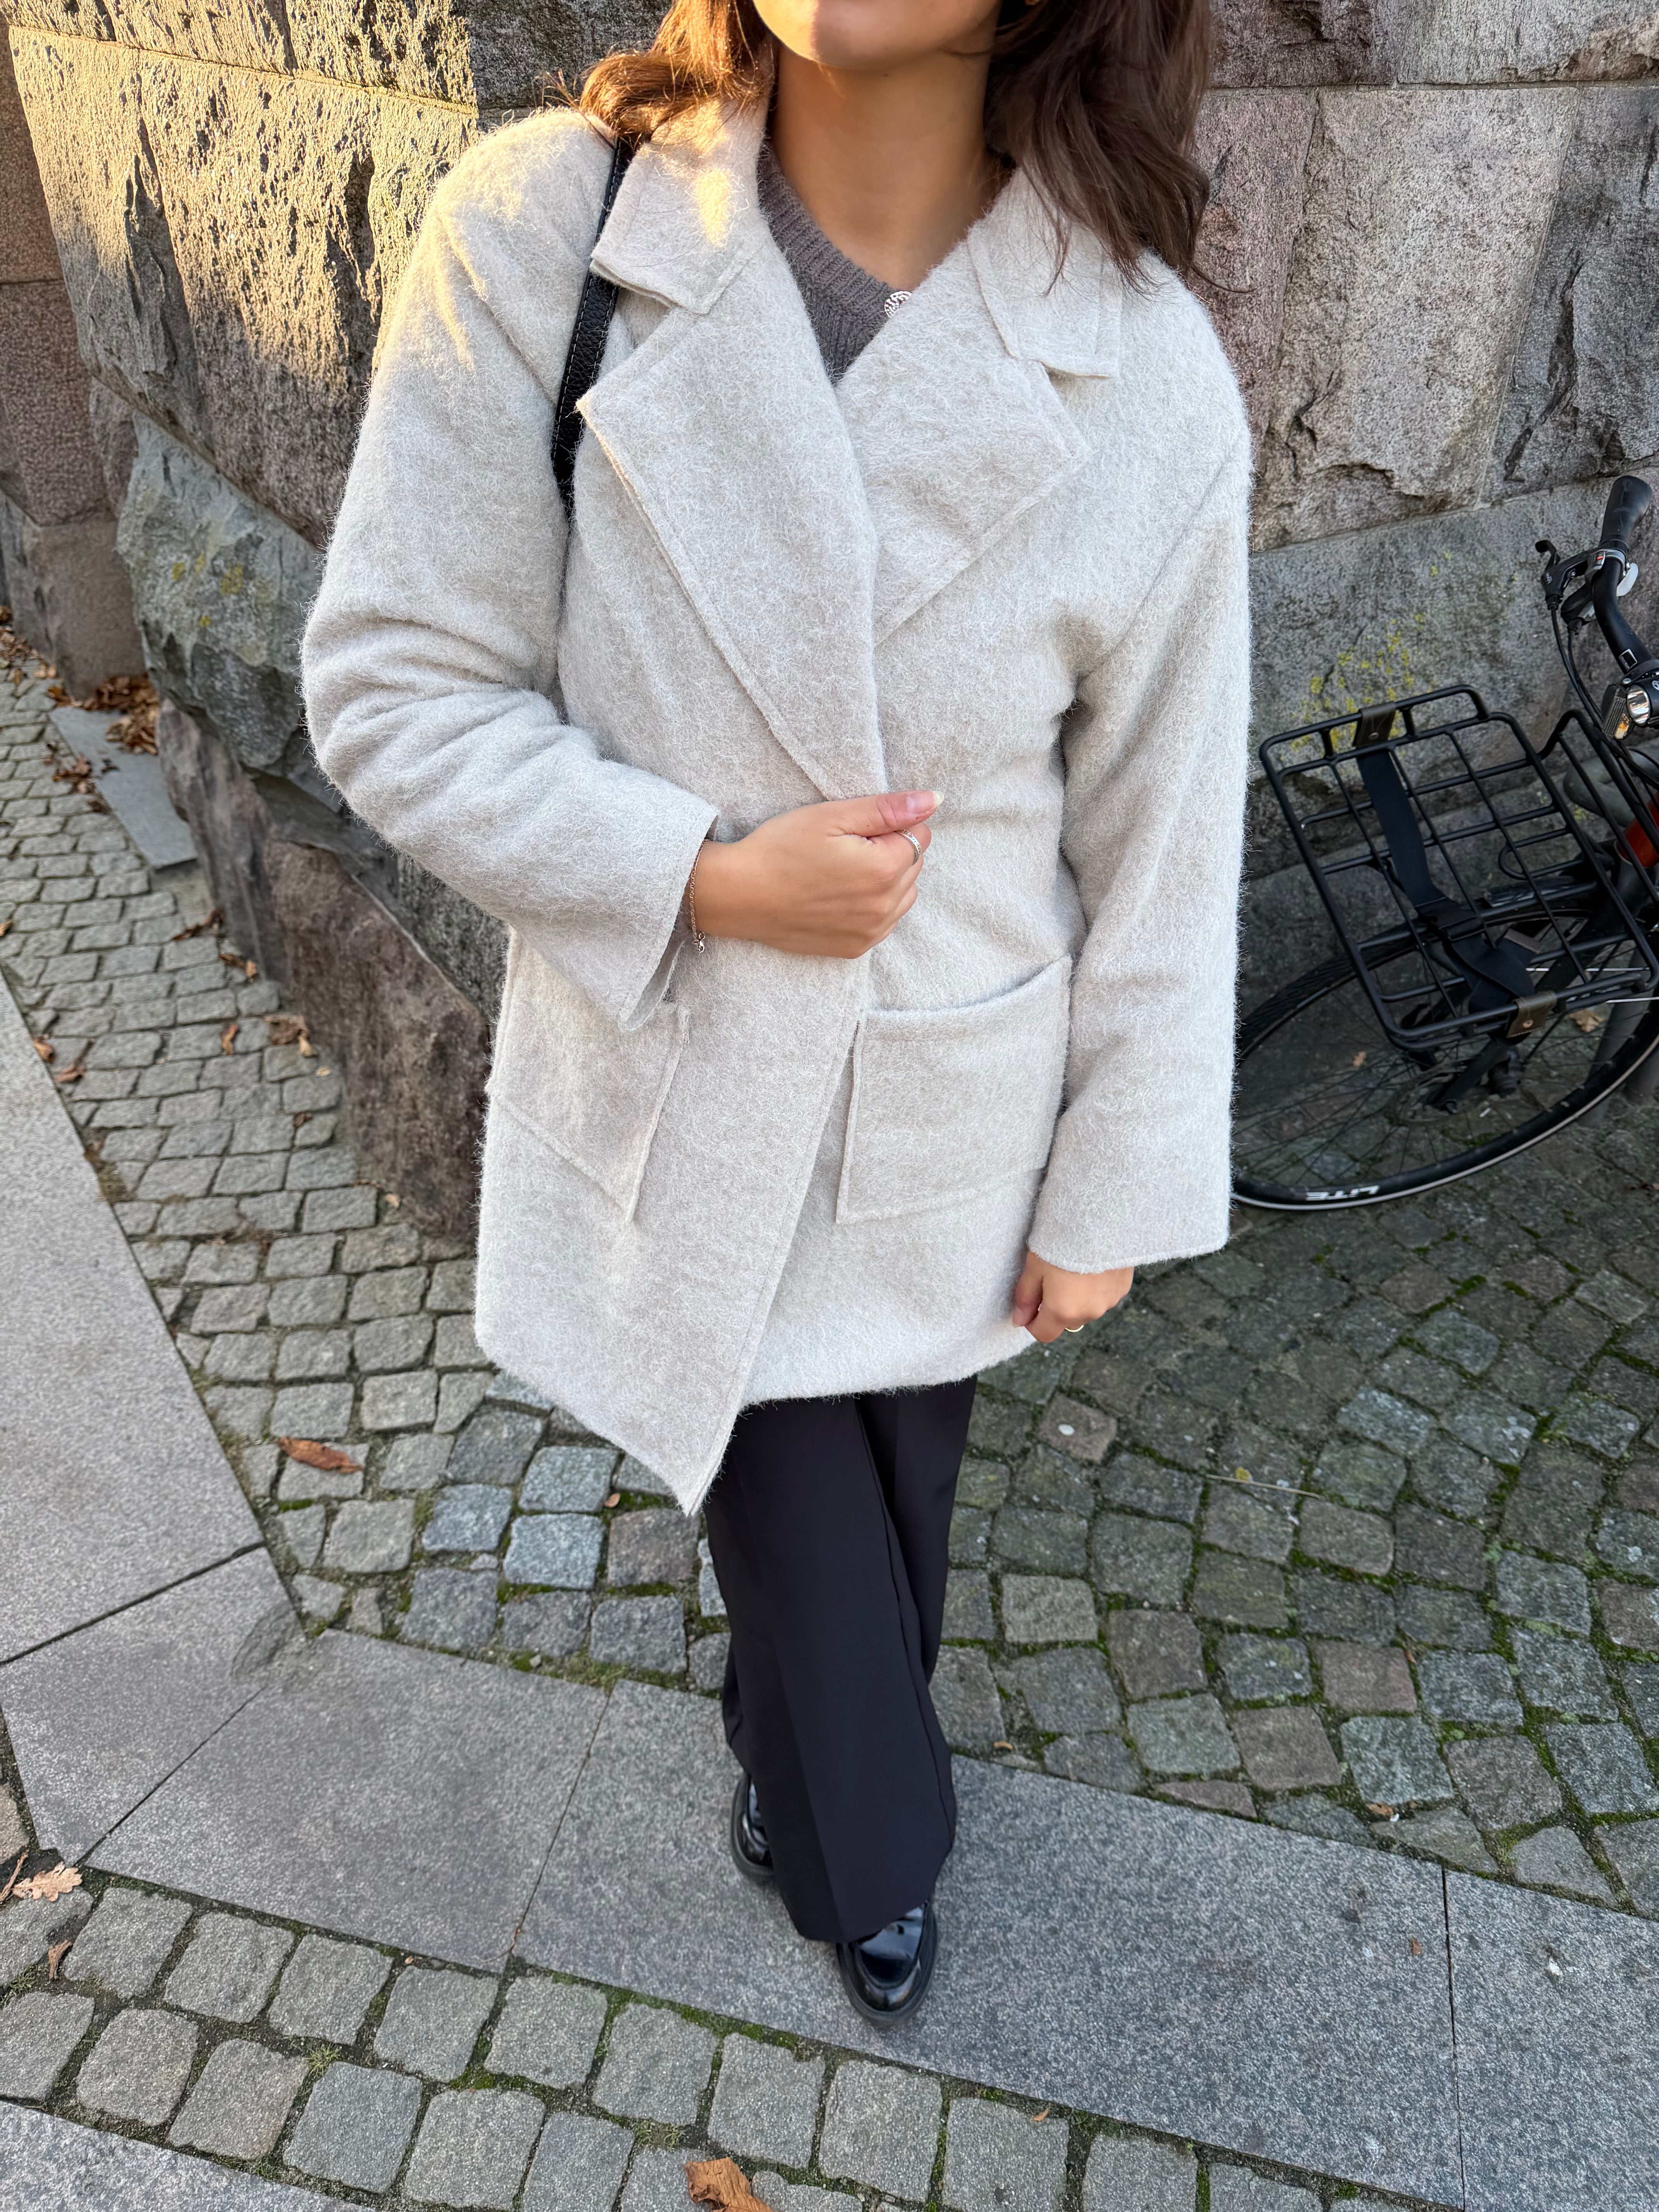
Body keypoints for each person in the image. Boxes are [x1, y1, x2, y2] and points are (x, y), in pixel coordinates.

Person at [302, 0, 1249, 2024]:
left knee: (899, 1503)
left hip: (957, 1087)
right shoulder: (552, 232)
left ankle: (796, 1756)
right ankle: (861, 1854)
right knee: (812, 1542)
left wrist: (1117, 1180)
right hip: (681, 1073)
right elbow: (397, 685)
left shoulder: (1143, 360)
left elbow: (1167, 831)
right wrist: (707, 875)